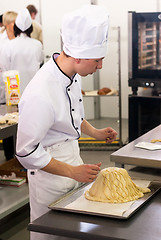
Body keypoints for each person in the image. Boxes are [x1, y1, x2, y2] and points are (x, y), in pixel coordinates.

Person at [16, 5, 117, 240]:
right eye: (97, 60)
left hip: (73, 161)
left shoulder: (71, 75)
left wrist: (96, 132)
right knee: (51, 234)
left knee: (75, 230)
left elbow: (74, 116)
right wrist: (72, 171)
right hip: (50, 176)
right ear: (78, 56)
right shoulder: (41, 92)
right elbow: (25, 152)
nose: (100, 66)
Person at [0, 8, 44, 95]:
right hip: (34, 91)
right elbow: (40, 61)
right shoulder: (37, 45)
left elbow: (4, 69)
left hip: (14, 93)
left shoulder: (8, 46)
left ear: (16, 27)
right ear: (31, 28)